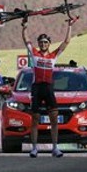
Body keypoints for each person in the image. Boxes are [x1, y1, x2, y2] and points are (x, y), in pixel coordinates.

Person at [22, 16, 76, 158]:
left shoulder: (53, 55)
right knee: (35, 118)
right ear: (38, 44)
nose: (43, 44)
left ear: (49, 44)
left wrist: (70, 26)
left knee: (53, 118)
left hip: (48, 88)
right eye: (41, 42)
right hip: (37, 88)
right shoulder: (34, 53)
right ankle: (34, 148)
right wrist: (24, 27)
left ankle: (55, 148)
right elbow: (26, 41)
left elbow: (66, 42)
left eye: (46, 42)